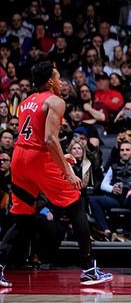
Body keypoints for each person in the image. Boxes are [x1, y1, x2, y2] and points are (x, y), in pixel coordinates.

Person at [0, 62, 112, 287]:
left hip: (19, 157)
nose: (61, 82)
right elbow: (49, 139)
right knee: (76, 206)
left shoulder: (26, 102)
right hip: (38, 159)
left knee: (23, 218)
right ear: (50, 81)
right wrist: (67, 171)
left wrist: (60, 157)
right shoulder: (55, 101)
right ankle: (89, 268)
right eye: (58, 78)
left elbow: (35, 138)